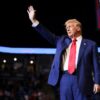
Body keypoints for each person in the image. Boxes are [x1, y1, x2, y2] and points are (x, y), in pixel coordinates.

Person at [27, 5, 100, 100]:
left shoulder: (91, 44)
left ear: (78, 28)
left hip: (83, 79)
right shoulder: (62, 40)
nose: (67, 29)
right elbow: (47, 35)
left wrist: (97, 82)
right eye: (66, 27)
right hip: (65, 79)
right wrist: (34, 21)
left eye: (70, 26)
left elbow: (96, 66)